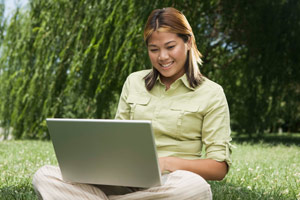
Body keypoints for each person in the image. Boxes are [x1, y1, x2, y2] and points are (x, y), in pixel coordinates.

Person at [32, 7, 232, 200]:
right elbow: (117, 139)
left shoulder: (211, 93)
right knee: (45, 175)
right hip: (124, 179)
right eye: (154, 49)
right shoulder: (134, 82)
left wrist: (166, 163)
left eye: (170, 47)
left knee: (196, 189)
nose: (163, 57)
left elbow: (218, 167)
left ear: (188, 42)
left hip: (172, 181)